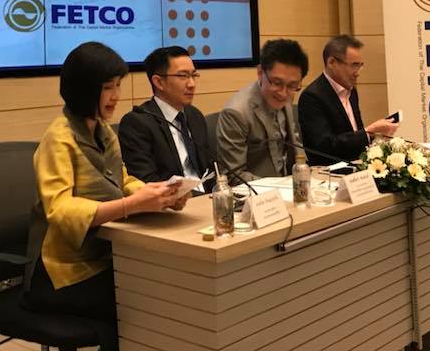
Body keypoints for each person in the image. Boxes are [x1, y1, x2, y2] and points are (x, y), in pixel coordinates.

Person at [24, 41, 186, 351]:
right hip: (63, 272)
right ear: (84, 91)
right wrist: (130, 205)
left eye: (118, 86)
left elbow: (122, 180)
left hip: (103, 257)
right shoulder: (58, 139)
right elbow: (60, 211)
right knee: (144, 302)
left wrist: (158, 195)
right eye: (108, 88)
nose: (116, 96)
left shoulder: (103, 132)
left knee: (162, 285)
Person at [118, 46, 215, 194]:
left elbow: (210, 169)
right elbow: (147, 181)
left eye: (193, 75)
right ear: (159, 82)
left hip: (207, 199)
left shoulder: (194, 115)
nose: (192, 84)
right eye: (183, 76)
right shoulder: (136, 123)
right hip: (173, 203)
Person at [297, 35, 398, 165]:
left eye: (360, 65)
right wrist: (368, 132)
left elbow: (355, 135)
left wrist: (376, 136)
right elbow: (324, 146)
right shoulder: (312, 96)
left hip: (357, 169)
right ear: (332, 63)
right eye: (354, 65)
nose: (358, 72)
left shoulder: (352, 92)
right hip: (328, 172)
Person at [216, 38, 308, 181]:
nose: (283, 93)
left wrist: (306, 175)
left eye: (292, 85)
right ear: (260, 72)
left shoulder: (286, 97)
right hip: (258, 192)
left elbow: (296, 146)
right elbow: (234, 176)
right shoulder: (236, 113)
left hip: (289, 186)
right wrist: (279, 186)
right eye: (276, 83)